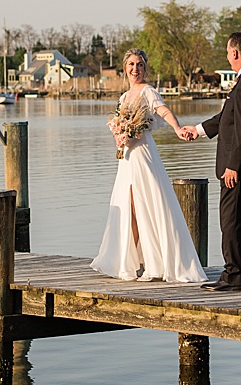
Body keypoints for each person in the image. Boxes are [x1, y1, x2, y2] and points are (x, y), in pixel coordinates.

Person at [89, 49, 207, 283]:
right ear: (125, 68)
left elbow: (162, 110)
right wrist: (120, 135)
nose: (136, 69)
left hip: (143, 154)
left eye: (140, 65)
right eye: (131, 64)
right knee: (128, 206)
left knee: (149, 203)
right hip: (127, 158)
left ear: (145, 68)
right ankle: (129, 263)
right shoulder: (123, 98)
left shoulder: (148, 91)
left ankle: (159, 262)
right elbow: (119, 123)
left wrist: (176, 127)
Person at [180, 31, 241, 292]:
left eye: (227, 51)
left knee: (232, 221)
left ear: (235, 53)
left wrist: (234, 165)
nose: (227, 55)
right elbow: (230, 117)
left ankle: (233, 276)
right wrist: (199, 129)